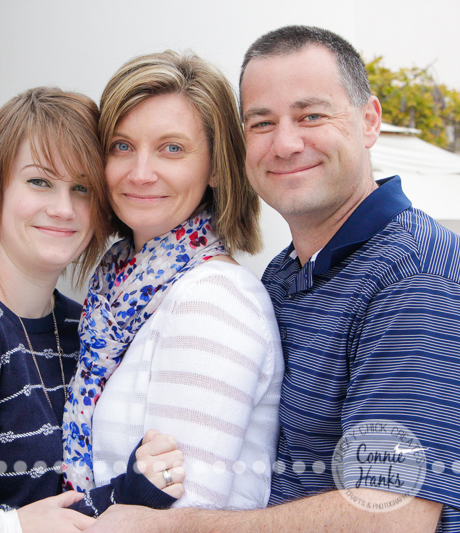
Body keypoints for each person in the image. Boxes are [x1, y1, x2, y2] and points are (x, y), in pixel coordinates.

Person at [83, 25, 460, 533]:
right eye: (262, 123)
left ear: (369, 120)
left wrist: (162, 526)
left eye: (311, 115)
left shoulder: (422, 279)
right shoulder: (287, 274)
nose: (286, 143)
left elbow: (388, 516)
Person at [0, 87, 183, 533]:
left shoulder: (80, 324)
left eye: (82, 188)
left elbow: (53, 505)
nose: (63, 209)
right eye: (39, 182)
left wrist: (134, 485)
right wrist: (131, 492)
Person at [62, 50, 284, 515]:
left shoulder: (213, 298)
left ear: (219, 167)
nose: (140, 173)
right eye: (122, 146)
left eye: (172, 148)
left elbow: (181, 515)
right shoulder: (117, 291)